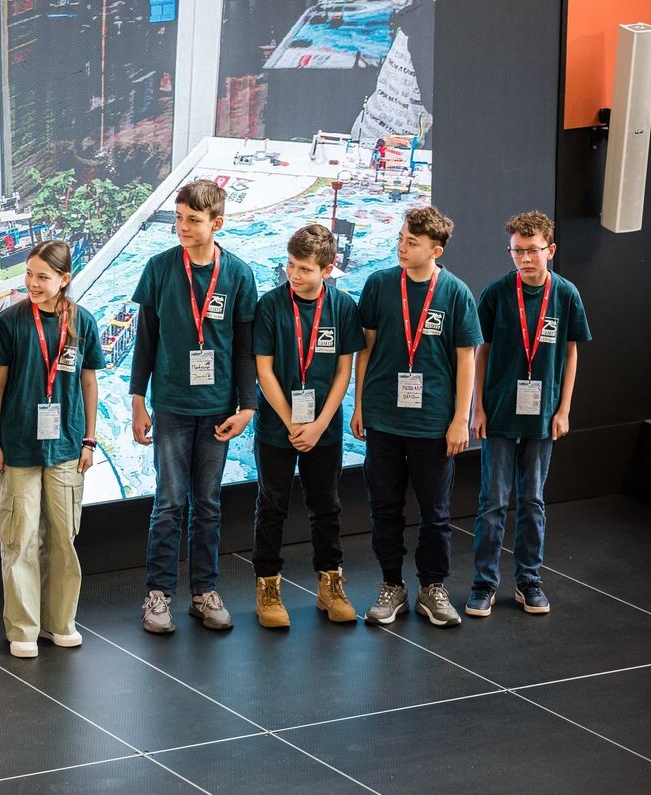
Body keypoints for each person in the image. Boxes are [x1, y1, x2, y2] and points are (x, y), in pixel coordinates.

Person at [130, 179, 259, 634]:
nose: (182, 227)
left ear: (216, 223)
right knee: (169, 503)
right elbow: (145, 341)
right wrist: (137, 401)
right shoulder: (160, 268)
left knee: (208, 504)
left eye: (192, 220)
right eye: (179, 218)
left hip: (219, 408)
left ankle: (204, 591)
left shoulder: (239, 275)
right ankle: (159, 595)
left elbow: (244, 349)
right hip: (171, 406)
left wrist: (247, 406)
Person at [351, 206, 482, 628]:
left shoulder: (456, 293)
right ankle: (392, 585)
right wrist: (359, 404)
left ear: (435, 250)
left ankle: (432, 587)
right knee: (384, 507)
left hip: (433, 423)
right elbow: (366, 349)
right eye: (401, 239)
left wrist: (460, 419)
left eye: (412, 242)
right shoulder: (379, 284)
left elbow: (467, 359)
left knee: (435, 512)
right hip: (384, 418)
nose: (402, 247)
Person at [466, 211, 590, 617]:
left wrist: (564, 409)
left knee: (532, 501)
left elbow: (571, 352)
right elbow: (480, 351)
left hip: (543, 415)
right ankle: (484, 583)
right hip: (499, 412)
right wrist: (478, 407)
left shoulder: (566, 294)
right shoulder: (497, 293)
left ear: (549, 250)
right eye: (516, 251)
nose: (524, 259)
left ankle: (528, 581)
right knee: (493, 502)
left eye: (532, 250)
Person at [0, 240, 105, 657]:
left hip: (67, 447)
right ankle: (23, 628)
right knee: (19, 539)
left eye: (43, 276)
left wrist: (89, 439)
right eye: (29, 274)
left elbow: (89, 382)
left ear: (64, 279)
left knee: (62, 539)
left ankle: (59, 622)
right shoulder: (12, 321)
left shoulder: (82, 322)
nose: (33, 283)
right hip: (19, 447)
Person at [252, 224, 366, 628]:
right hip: (276, 428)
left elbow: (343, 372)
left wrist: (318, 425)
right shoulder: (270, 305)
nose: (294, 275)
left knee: (326, 506)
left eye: (304, 269)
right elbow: (264, 370)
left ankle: (330, 583)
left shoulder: (343, 307)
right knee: (272, 507)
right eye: (290, 265)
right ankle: (267, 586)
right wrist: (291, 421)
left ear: (327, 270)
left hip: (324, 429)